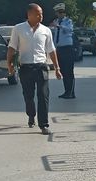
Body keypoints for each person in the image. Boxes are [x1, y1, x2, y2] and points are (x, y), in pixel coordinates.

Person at [7, 3, 61, 135]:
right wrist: (10, 64)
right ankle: (31, 115)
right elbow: (12, 47)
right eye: (38, 14)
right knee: (28, 95)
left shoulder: (46, 30)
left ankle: (44, 124)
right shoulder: (18, 28)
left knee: (43, 95)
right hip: (25, 67)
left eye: (41, 13)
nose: (41, 16)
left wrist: (57, 68)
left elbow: (51, 50)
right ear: (29, 14)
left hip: (41, 66)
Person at [50, 3, 75, 99]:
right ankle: (66, 91)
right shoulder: (56, 21)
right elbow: (55, 35)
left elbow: (69, 30)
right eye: (58, 13)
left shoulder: (68, 21)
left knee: (69, 71)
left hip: (67, 48)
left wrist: (59, 26)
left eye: (61, 12)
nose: (60, 14)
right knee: (63, 70)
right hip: (59, 48)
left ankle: (71, 92)